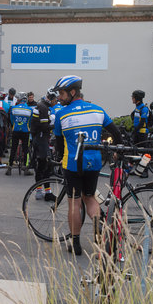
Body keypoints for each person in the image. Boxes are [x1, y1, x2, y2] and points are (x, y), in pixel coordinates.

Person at [53, 75, 122, 255]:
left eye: (62, 93)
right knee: (90, 198)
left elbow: (59, 145)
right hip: (94, 162)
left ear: (73, 92)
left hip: (73, 164)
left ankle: (75, 244)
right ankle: (101, 235)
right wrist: (117, 150)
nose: (59, 97)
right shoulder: (98, 110)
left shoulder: (61, 114)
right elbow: (116, 133)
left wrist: (59, 157)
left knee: (74, 203)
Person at [31, 88, 58, 200]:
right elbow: (43, 126)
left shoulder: (42, 105)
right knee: (42, 166)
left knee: (46, 166)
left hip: (41, 139)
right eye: (56, 99)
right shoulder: (43, 107)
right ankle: (39, 191)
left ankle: (47, 193)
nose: (56, 102)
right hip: (41, 140)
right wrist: (55, 123)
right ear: (51, 97)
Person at [6, 93, 33, 176]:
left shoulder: (13, 108)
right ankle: (25, 168)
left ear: (19, 100)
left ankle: (9, 167)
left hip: (16, 130)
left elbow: (11, 120)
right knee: (25, 149)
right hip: (25, 131)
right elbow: (30, 121)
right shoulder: (30, 109)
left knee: (13, 148)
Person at [130, 89, 150, 178]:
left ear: (137, 98)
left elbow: (142, 122)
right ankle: (138, 170)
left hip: (142, 133)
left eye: (133, 97)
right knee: (136, 152)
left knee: (144, 153)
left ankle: (145, 171)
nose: (132, 99)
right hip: (137, 133)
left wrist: (134, 130)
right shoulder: (137, 107)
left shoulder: (144, 108)